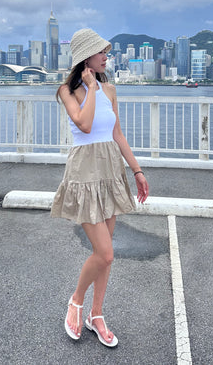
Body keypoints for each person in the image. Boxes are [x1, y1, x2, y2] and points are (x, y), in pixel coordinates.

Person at [50, 28, 149, 348]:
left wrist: (137, 171)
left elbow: (117, 134)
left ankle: (97, 314)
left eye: (106, 51)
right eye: (101, 52)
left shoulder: (111, 91)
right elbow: (84, 123)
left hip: (110, 170)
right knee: (105, 252)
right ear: (85, 59)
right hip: (84, 173)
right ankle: (76, 302)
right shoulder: (67, 90)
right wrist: (91, 88)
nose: (107, 56)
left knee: (104, 256)